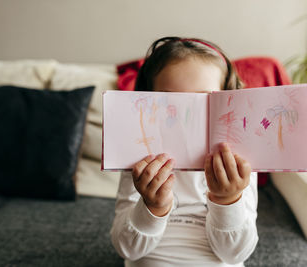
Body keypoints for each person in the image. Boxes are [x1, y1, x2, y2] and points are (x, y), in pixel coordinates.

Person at [110, 37, 258, 267]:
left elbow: (235, 254)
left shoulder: (238, 163)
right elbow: (126, 248)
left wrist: (227, 199)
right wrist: (153, 207)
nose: (185, 118)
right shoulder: (141, 159)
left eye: (203, 102)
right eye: (171, 103)